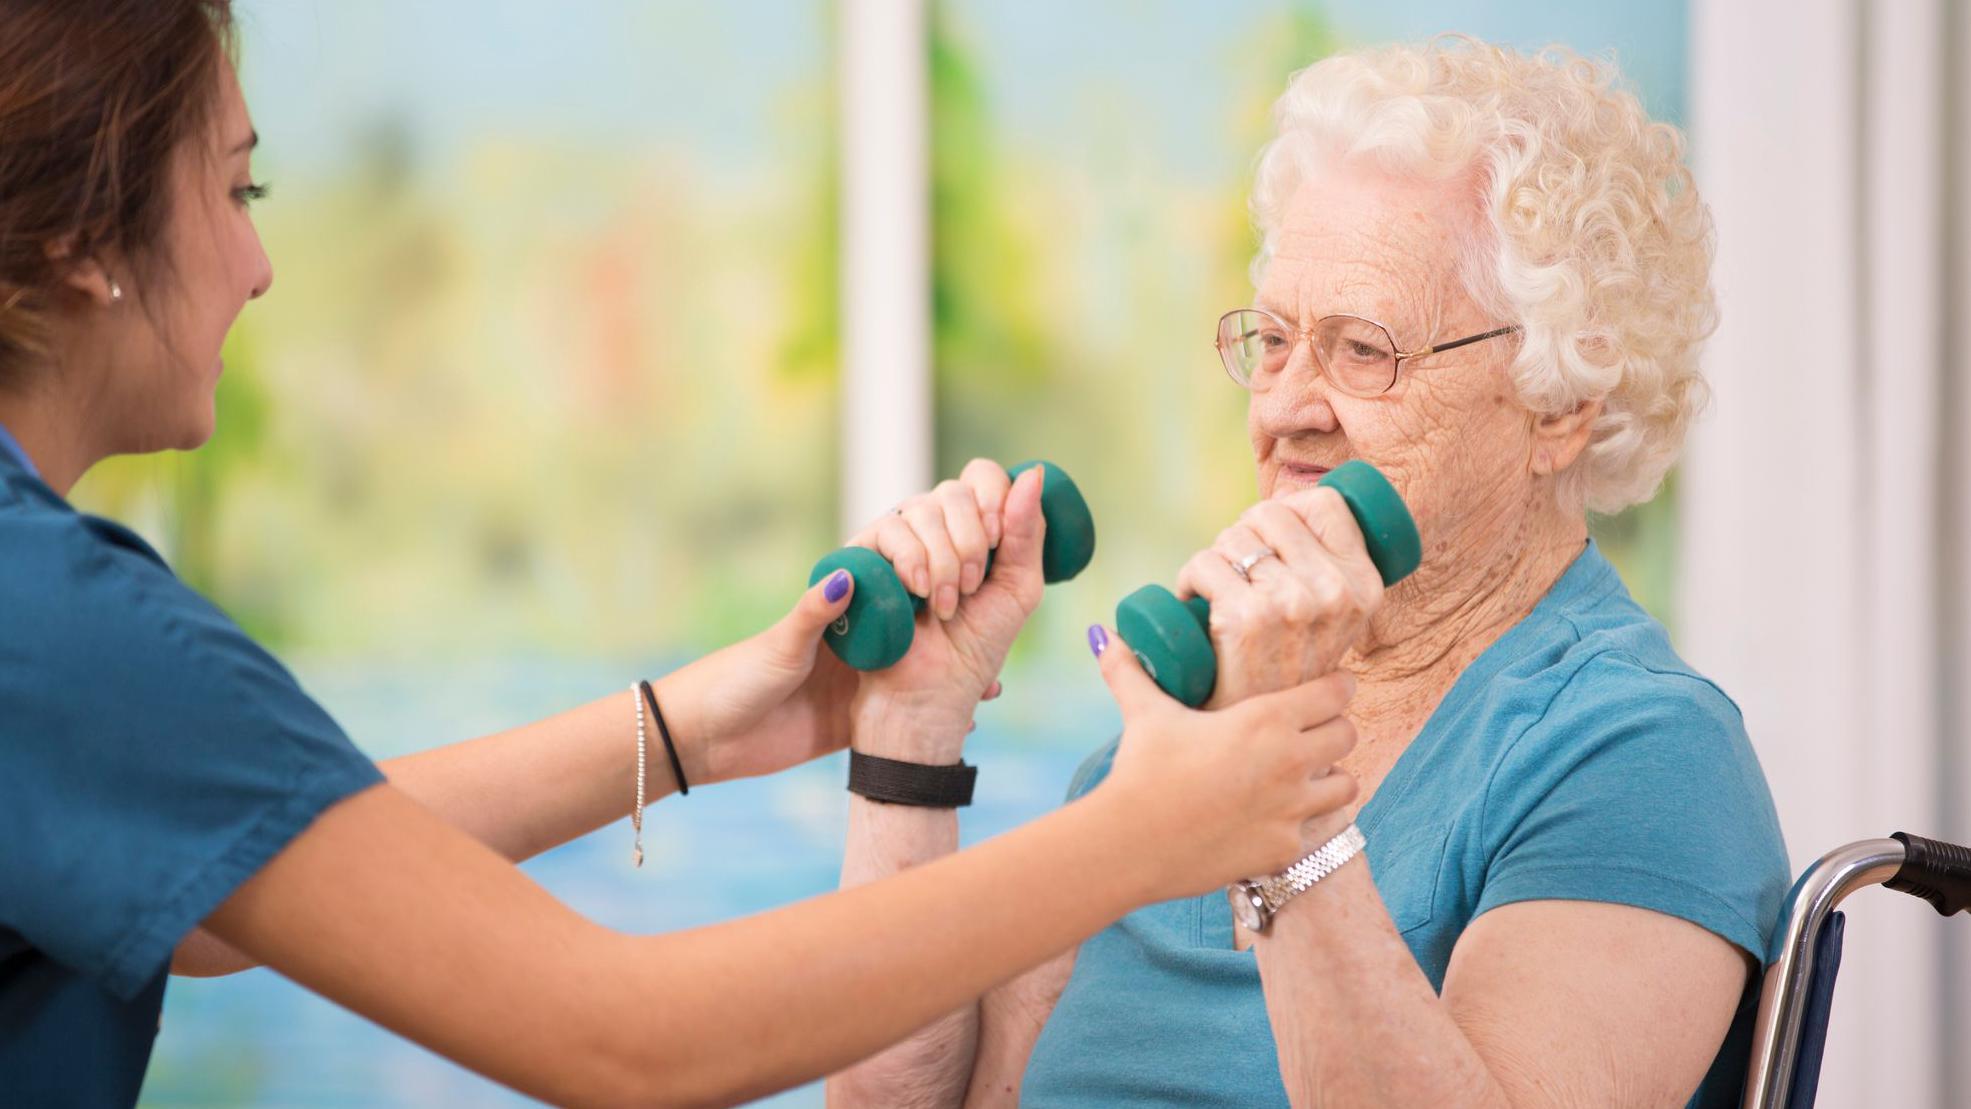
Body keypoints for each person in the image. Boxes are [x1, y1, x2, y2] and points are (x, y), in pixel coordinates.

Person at [0, 3, 1366, 1105]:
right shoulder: (53, 622)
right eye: (237, 190)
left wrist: (693, 728)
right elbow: (632, 1039)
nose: (256, 263)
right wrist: (1149, 832)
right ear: (75, 243)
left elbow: (212, 897)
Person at [832, 37, 1791, 1109]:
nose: (1286, 408)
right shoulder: (1158, 747)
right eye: (1275, 339)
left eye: (1362, 349)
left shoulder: (1639, 752)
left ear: (1561, 405)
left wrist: (1277, 782)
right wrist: (910, 739)